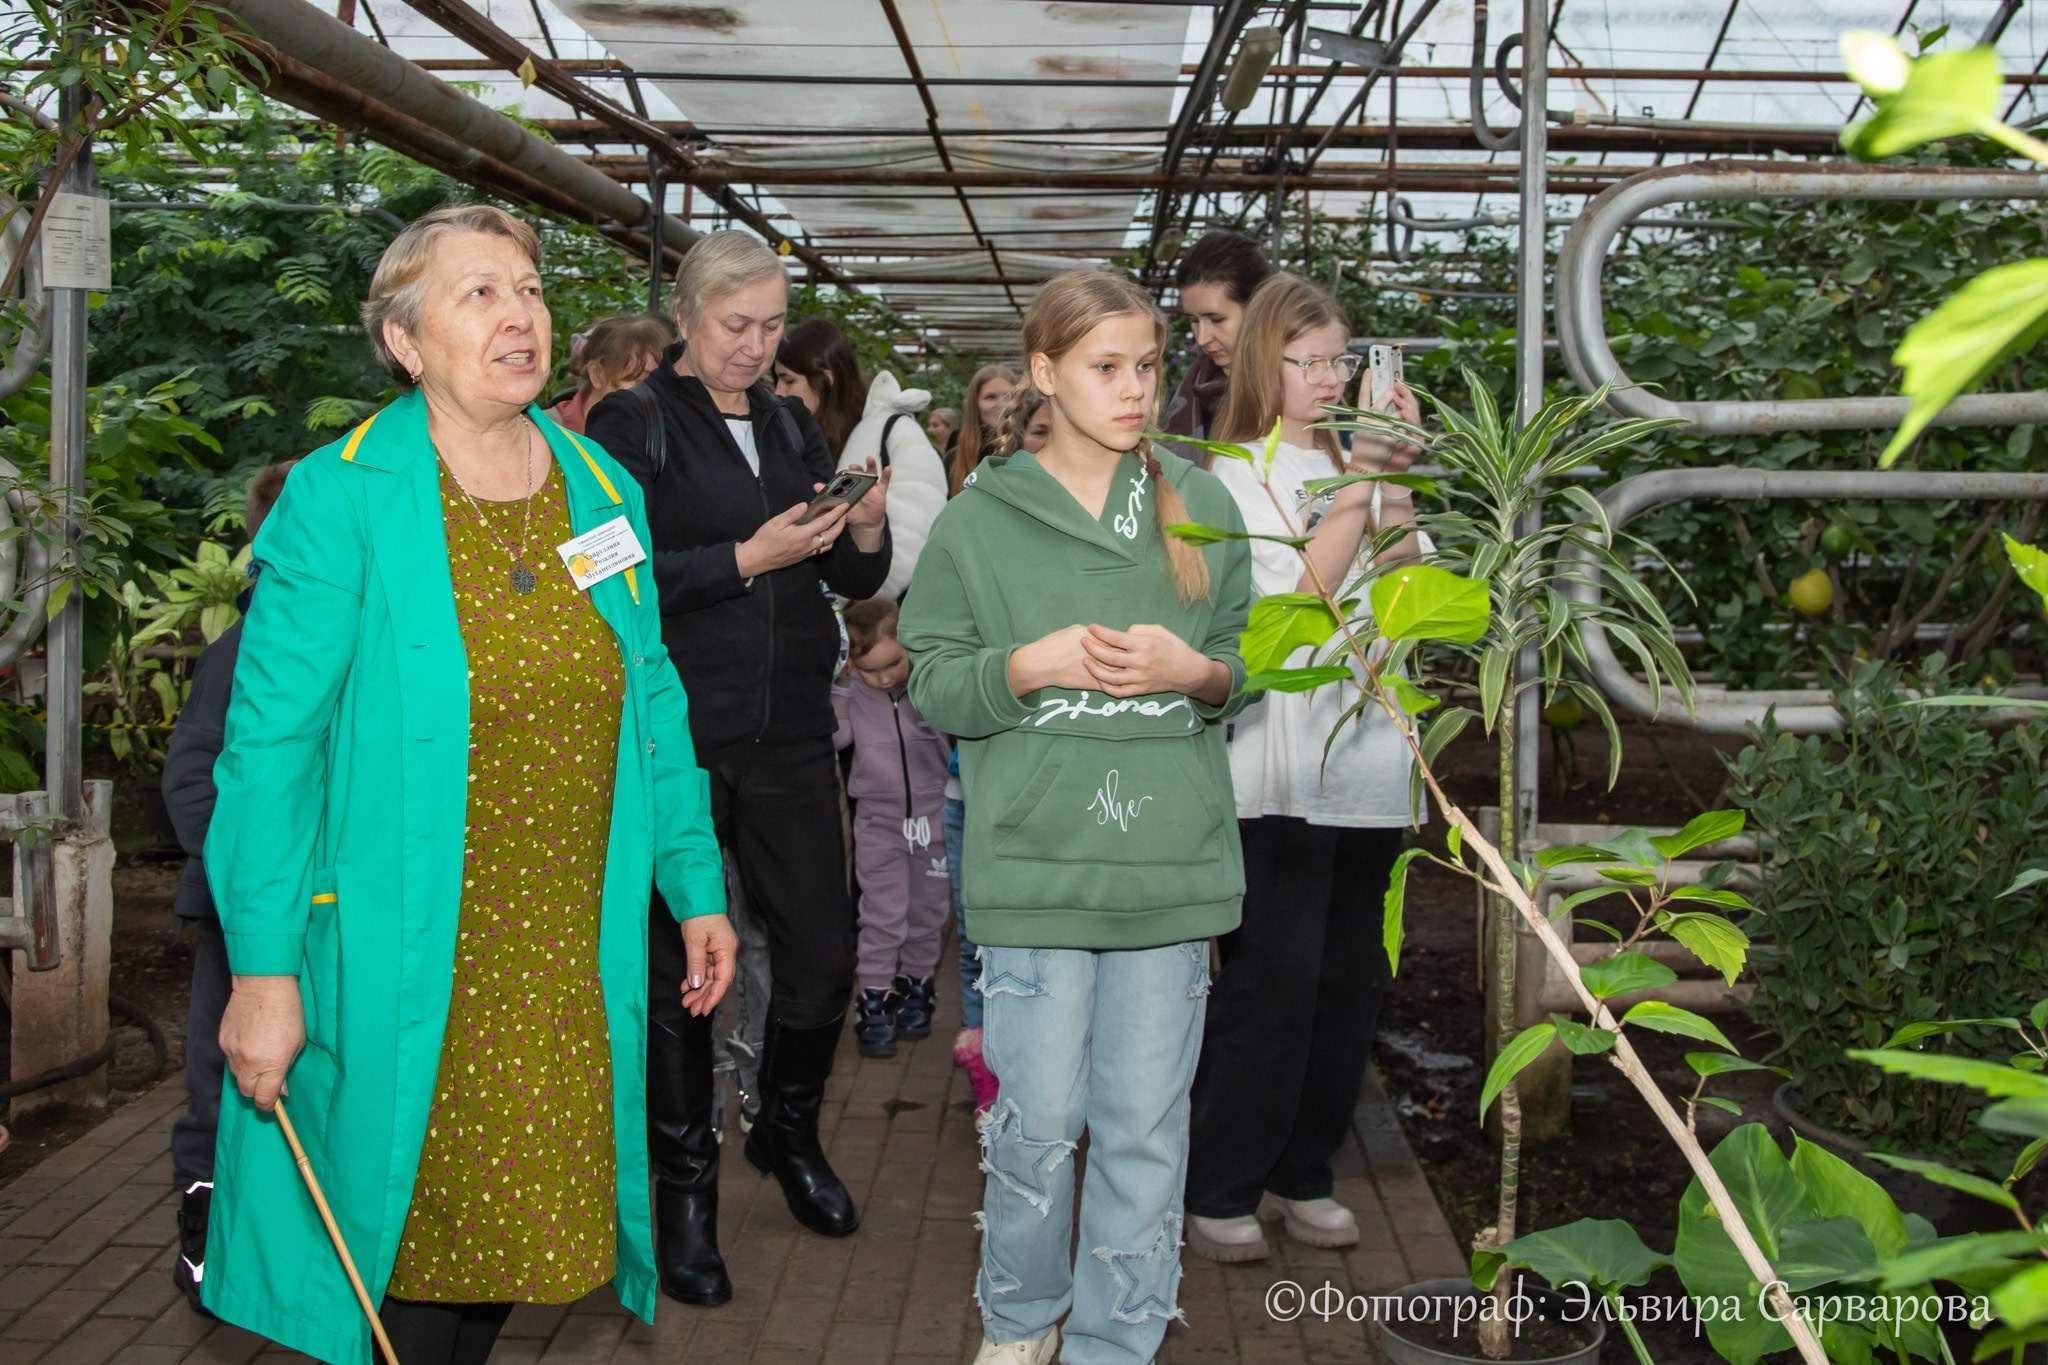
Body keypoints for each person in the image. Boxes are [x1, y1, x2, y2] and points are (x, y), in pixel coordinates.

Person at [200, 203, 735, 1365]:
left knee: (505, 1248)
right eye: (478, 292)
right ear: (405, 343)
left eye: (530, 289)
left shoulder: (599, 489)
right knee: (400, 1260)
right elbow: (269, 753)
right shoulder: (345, 497)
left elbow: (650, 700)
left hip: (556, 956)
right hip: (406, 953)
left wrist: (693, 882)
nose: (518, 315)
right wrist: (261, 972)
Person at [900, 267, 1254, 1365]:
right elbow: (930, 683)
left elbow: (1255, 665)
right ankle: (1020, 1318)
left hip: (1169, 866)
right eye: (1106, 368)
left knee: (1147, 1130)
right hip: (1033, 871)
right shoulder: (977, 523)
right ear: (1044, 375)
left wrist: (1197, 672)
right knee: (1036, 1126)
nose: (1135, 387)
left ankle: (1118, 1339)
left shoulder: (1204, 504)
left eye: (1147, 365)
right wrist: (1023, 666)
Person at [585, 230, 892, 1304]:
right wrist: (740, 561)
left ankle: (786, 1133)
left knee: (821, 952)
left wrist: (865, 523)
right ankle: (683, 1198)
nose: (756, 347)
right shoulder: (631, 423)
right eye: (735, 326)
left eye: (770, 326)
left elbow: (849, 572)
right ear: (685, 317)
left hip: (791, 732)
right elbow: (599, 570)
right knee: (684, 976)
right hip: (679, 738)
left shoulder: (789, 421)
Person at [1184, 273, 1424, 1264]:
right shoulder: (1229, 475)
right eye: (1309, 361)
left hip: (1369, 766)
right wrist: (1359, 479)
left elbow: (1414, 591)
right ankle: (1221, 1181)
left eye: (1342, 359)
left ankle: (1303, 1170)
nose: (1331, 378)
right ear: (1259, 365)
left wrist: (1395, 484)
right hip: (1274, 777)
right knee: (1270, 983)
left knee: (1347, 983)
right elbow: (1291, 615)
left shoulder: (1360, 463)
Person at [161, 457, 298, 1318]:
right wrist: (249, 887)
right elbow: (191, 782)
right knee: (221, 1082)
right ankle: (206, 1240)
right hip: (236, 912)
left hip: (299, 912)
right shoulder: (243, 648)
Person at [831, 599, 953, 1057]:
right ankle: (876, 999)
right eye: (871, 671)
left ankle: (917, 988)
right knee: (882, 915)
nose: (885, 678)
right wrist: (842, 689)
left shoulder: (927, 685)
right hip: (879, 823)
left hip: (934, 817)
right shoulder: (853, 692)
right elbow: (837, 739)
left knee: (927, 914)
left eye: (894, 664)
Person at [840, 368, 950, 601]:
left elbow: (918, 519)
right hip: (877, 584)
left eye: (789, 381)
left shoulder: (888, 430)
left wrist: (879, 592)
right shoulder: (878, 429)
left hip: (893, 592)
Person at [1162, 230, 1274, 451]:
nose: (1202, 338)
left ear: (1258, 309)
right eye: (1194, 320)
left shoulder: (1308, 389)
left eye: (1216, 319)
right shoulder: (1188, 397)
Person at [545, 313, 676, 435]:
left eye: (661, 384)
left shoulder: (662, 436)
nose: (656, 394)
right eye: (640, 382)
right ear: (598, 374)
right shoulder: (547, 432)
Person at [773, 318, 867, 458]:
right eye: (777, 381)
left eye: (789, 381)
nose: (778, 392)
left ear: (826, 380)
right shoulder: (782, 434)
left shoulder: (876, 434)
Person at [946, 362, 1016, 496]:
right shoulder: (954, 459)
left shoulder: (1030, 452)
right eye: (990, 397)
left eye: (1008, 397)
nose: (1001, 404)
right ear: (975, 404)